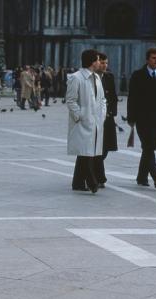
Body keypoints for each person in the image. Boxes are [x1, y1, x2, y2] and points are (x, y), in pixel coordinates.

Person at [127, 47, 156, 188]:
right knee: (148, 146)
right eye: (154, 58)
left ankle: (141, 177)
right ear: (147, 59)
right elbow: (132, 97)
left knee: (150, 148)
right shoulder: (138, 75)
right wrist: (131, 117)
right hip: (142, 118)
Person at [66, 49, 106, 193]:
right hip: (83, 121)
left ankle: (77, 182)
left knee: (87, 151)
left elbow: (102, 99)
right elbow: (71, 100)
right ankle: (92, 182)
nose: (99, 62)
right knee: (86, 152)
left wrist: (102, 114)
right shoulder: (76, 78)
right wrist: (79, 116)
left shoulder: (97, 78)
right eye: (97, 60)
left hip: (95, 121)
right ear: (91, 62)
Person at [94, 53, 118, 187]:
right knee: (97, 148)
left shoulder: (109, 76)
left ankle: (96, 174)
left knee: (106, 148)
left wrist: (113, 112)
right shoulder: (92, 77)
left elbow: (113, 96)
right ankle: (98, 177)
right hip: (96, 117)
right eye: (102, 62)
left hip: (108, 117)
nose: (104, 65)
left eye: (106, 63)